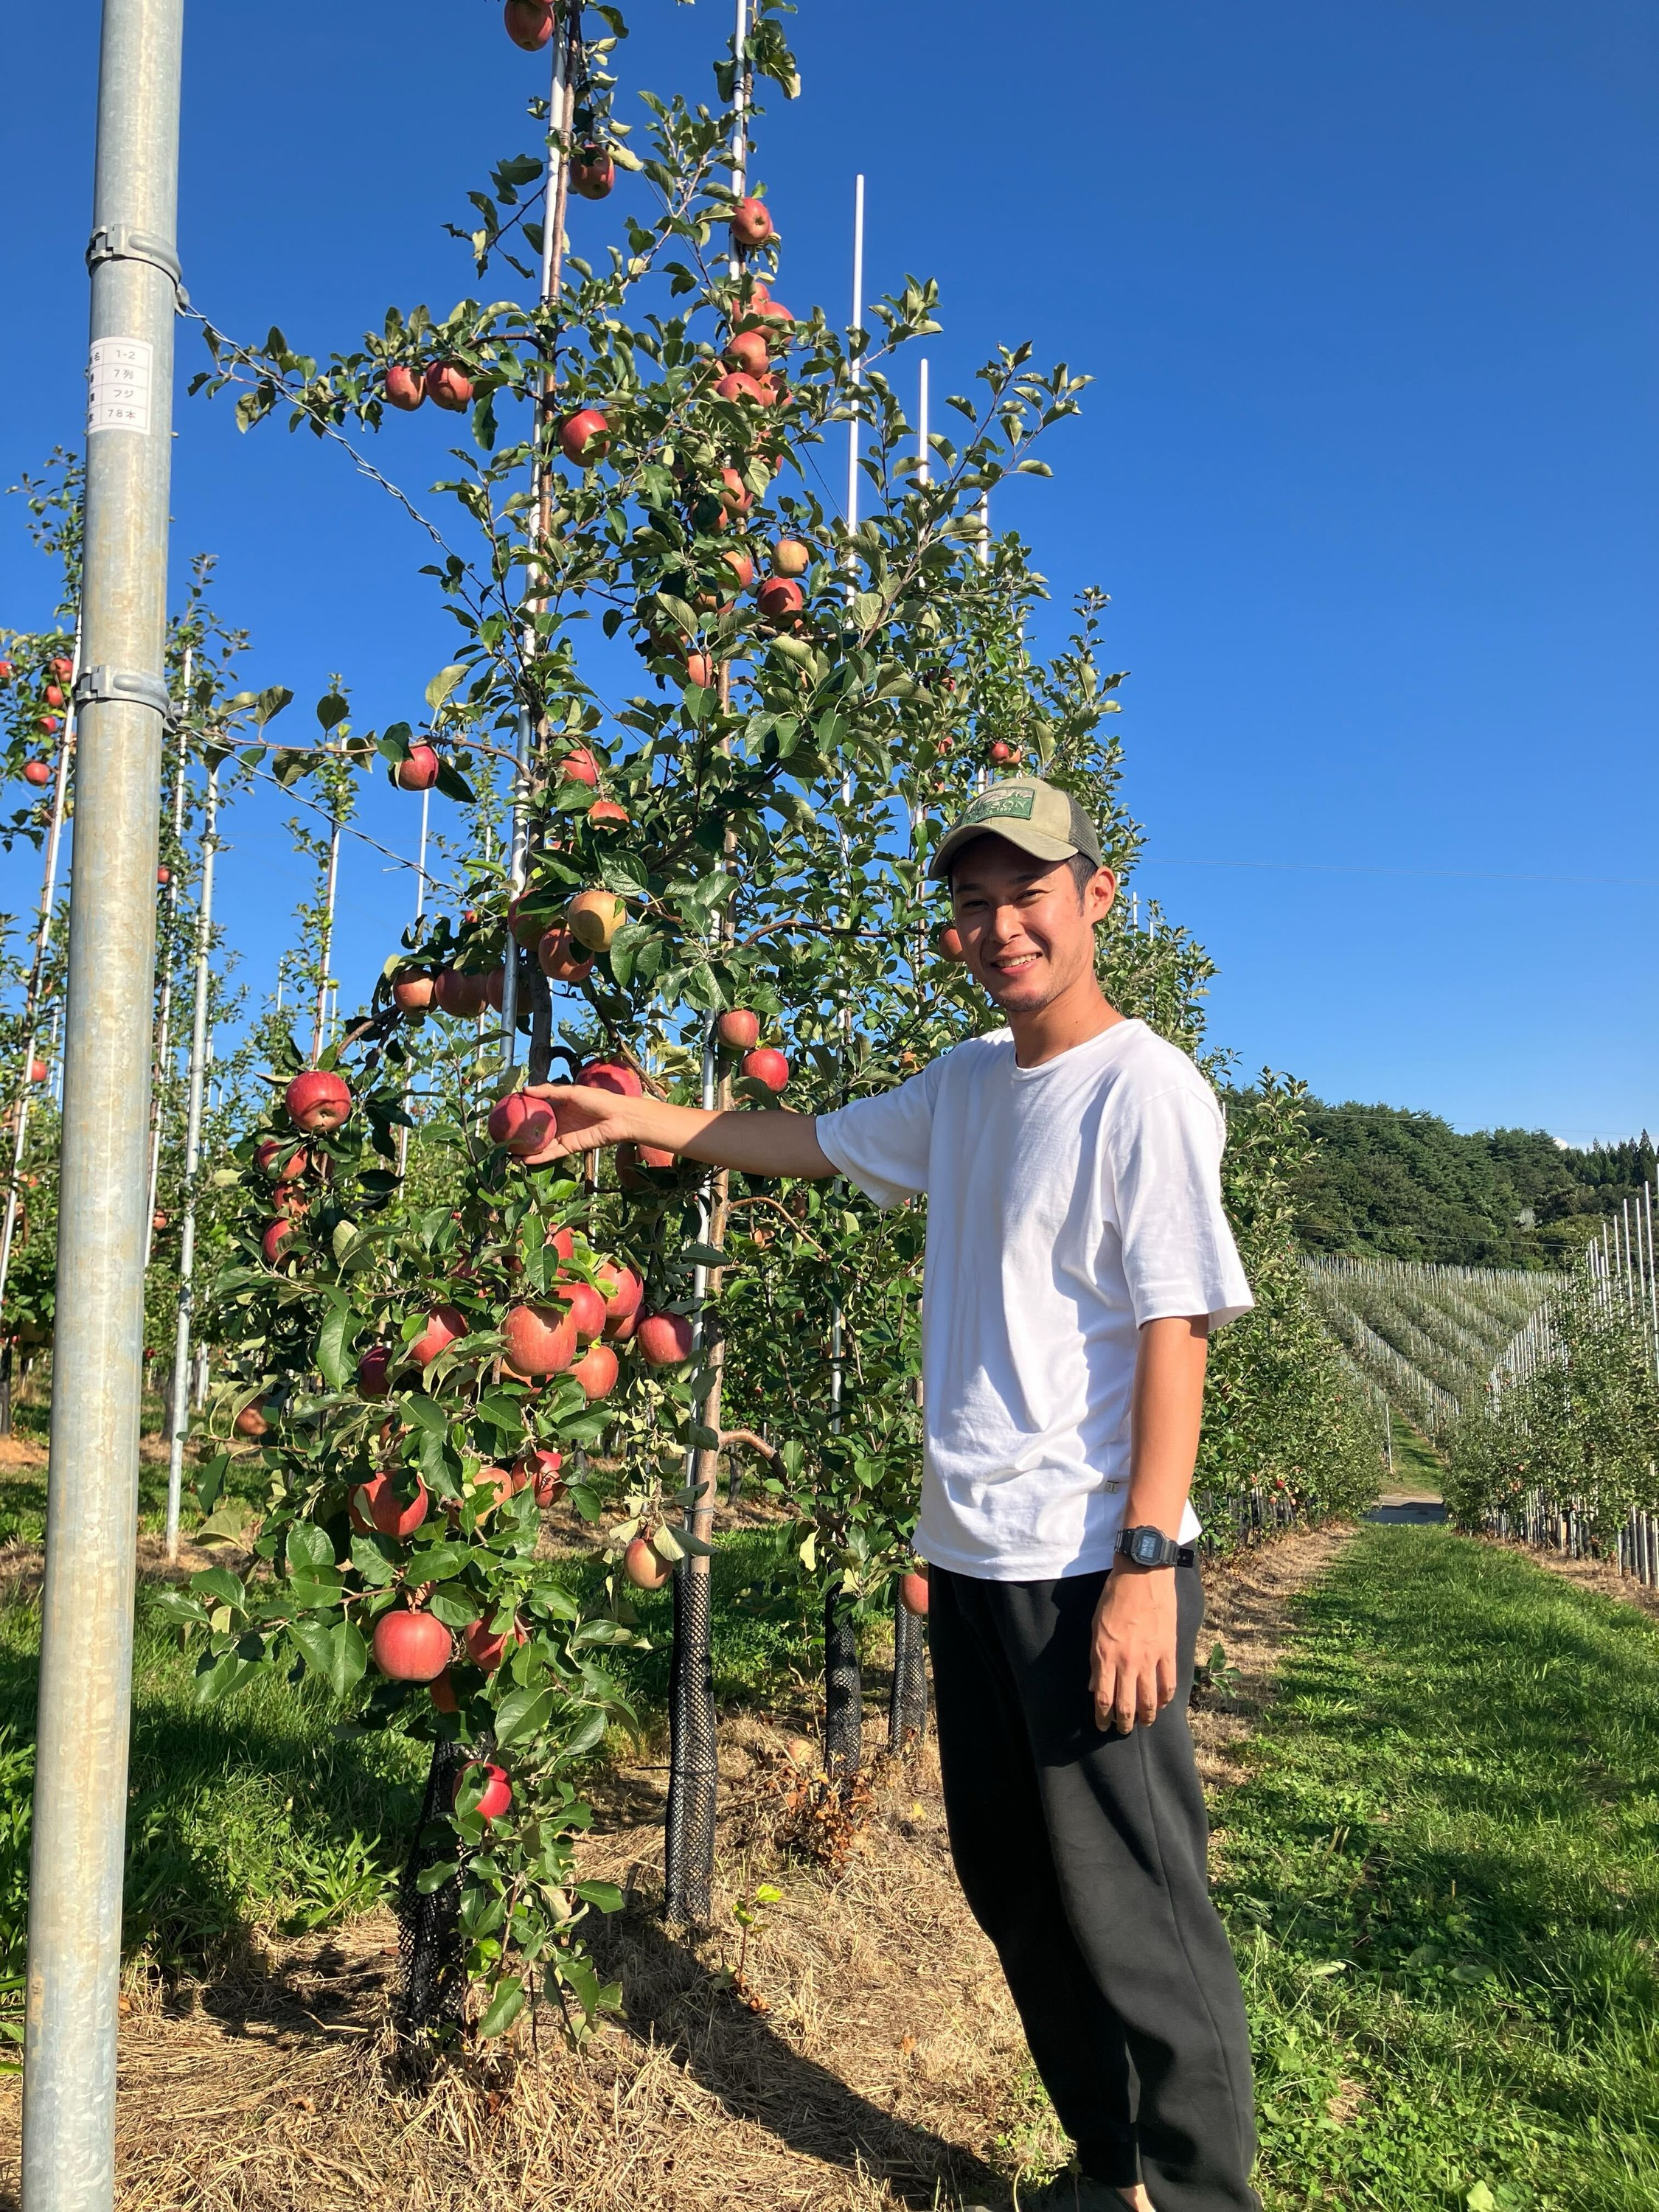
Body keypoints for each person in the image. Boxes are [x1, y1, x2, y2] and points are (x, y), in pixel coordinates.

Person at [535, 776, 1261, 2212]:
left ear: (1095, 895)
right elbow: (809, 1142)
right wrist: (634, 1122)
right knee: (1018, 1890)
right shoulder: (968, 1083)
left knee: (1139, 1914)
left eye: (1027, 895)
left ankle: (1199, 2194)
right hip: (973, 1557)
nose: (1000, 930)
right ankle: (1106, 2165)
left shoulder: (1145, 1089)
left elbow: (1176, 1329)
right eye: (972, 906)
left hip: (1090, 1562)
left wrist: (1143, 1567)